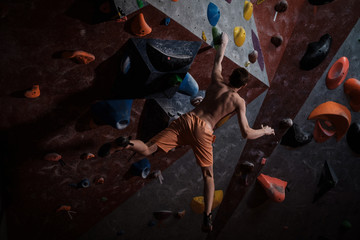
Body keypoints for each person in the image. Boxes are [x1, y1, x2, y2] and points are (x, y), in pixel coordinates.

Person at [98, 32, 275, 232]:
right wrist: (265, 131)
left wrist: (223, 42)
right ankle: (207, 217)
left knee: (148, 148)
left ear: (229, 77)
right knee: (208, 176)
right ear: (242, 86)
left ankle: (125, 144)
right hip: (204, 132)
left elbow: (218, 59)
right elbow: (247, 134)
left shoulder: (217, 80)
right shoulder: (238, 101)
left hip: (188, 120)